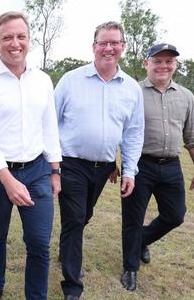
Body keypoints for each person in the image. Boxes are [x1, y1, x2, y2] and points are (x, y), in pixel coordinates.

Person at [0, 11, 62, 300]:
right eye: (7, 37)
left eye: (20, 36)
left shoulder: (44, 81)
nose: (15, 43)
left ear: (29, 41)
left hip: (37, 171)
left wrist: (55, 170)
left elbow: (49, 126)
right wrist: (8, 180)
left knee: (39, 242)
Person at [54, 21, 144, 300]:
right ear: (93, 47)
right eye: (103, 42)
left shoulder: (131, 89)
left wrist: (129, 170)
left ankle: (66, 249)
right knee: (74, 218)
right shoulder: (71, 80)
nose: (108, 48)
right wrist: (52, 164)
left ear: (123, 47)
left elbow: (133, 132)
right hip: (71, 164)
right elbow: (50, 123)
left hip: (104, 168)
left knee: (83, 217)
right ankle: (72, 286)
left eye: (114, 42)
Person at [120, 43, 194, 291]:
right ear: (146, 63)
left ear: (175, 65)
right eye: (157, 61)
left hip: (171, 166)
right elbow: (119, 130)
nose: (163, 66)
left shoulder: (186, 96)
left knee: (175, 215)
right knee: (132, 219)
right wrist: (116, 165)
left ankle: (140, 242)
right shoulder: (132, 92)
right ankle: (130, 267)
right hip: (139, 165)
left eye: (169, 61)